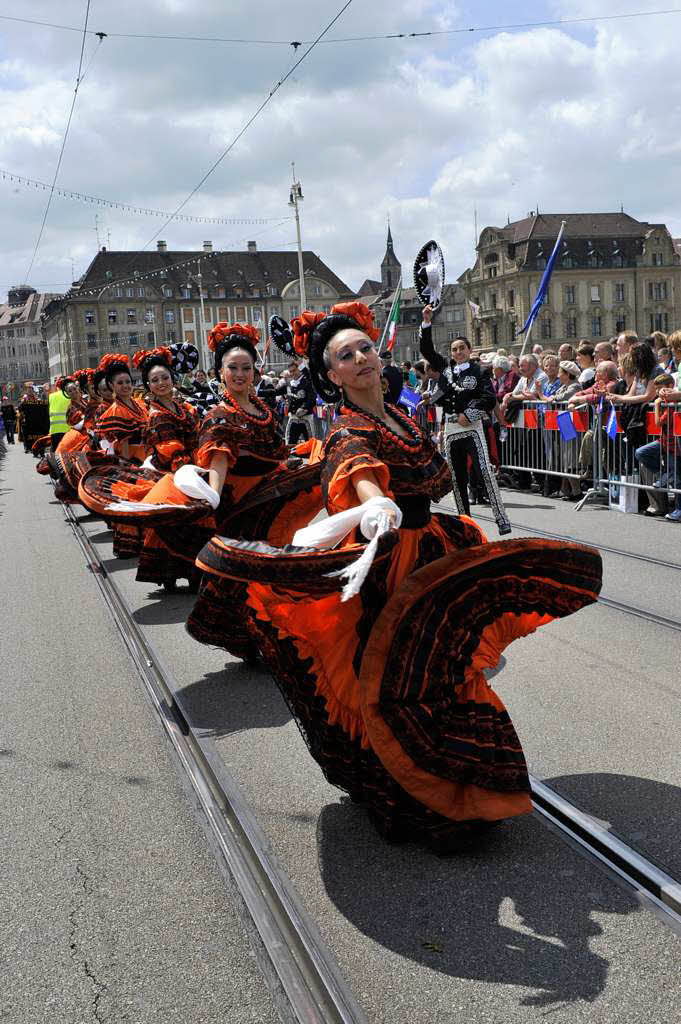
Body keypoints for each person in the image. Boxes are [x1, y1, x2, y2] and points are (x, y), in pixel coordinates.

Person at [192, 300, 602, 853]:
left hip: (431, 547)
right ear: (331, 374)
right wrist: (375, 502)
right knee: (399, 678)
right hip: (391, 561)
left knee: (446, 671)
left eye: (365, 347)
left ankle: (463, 787)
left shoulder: (402, 416)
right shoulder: (347, 429)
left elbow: (429, 476)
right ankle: (418, 795)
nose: (361, 358)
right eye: (346, 355)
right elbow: (359, 469)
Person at [419, 310, 510, 533]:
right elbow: (427, 350)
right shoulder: (446, 369)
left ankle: (501, 518)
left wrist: (469, 414)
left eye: (462, 348)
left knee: (484, 473)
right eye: (454, 349)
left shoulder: (479, 371)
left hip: (472, 428)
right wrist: (427, 322)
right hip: (450, 430)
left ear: (469, 351)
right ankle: (465, 523)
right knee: (457, 479)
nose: (458, 352)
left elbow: (488, 398)